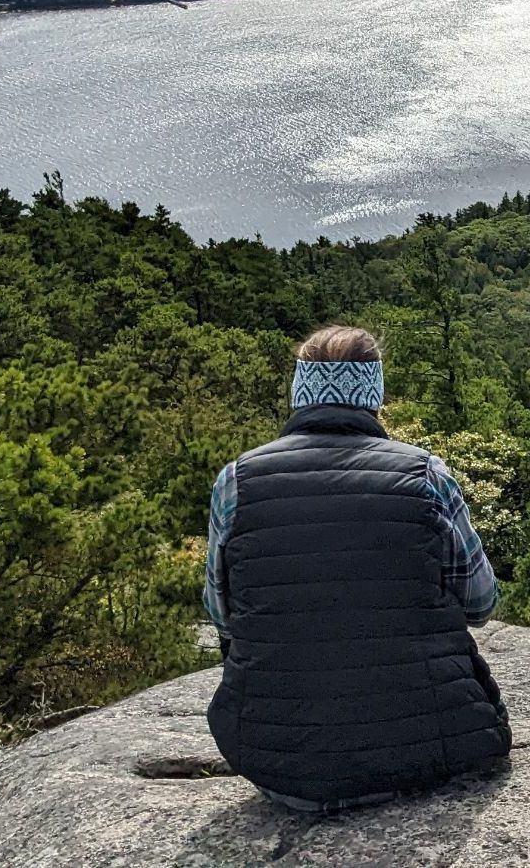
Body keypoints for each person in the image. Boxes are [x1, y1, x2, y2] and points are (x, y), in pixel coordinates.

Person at [202, 326, 509, 810]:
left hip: (274, 755)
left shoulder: (236, 480)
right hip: (430, 743)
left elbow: (222, 615)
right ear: (373, 393)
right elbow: (481, 602)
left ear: (301, 393)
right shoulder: (425, 473)